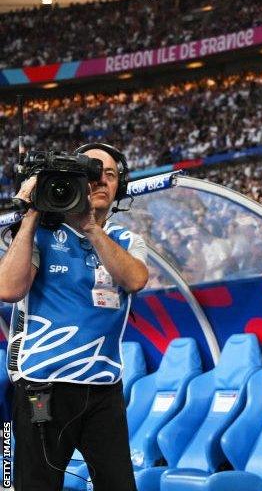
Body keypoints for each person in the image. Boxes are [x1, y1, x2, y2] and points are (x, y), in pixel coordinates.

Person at [0, 143, 149, 491]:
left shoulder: (127, 239)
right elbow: (8, 288)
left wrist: (91, 228)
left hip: (103, 389)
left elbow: (135, 279)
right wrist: (33, 213)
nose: (100, 181)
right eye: (90, 173)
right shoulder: (39, 233)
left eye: (109, 175)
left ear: (119, 187)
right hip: (43, 387)